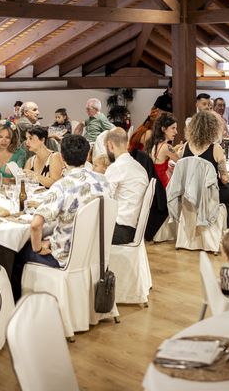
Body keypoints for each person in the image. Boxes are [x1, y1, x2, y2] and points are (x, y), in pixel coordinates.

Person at [11, 134, 107, 300]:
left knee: (17, 252)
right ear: (88, 155)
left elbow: (35, 225)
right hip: (95, 251)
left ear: (62, 157)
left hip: (64, 256)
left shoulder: (62, 186)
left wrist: (38, 248)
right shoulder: (105, 181)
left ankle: (22, 308)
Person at [182, 111, 229, 228]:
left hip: (190, 192)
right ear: (213, 128)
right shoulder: (216, 148)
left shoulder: (186, 146)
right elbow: (224, 179)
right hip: (210, 194)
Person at [104, 128, 149, 245]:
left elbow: (103, 200)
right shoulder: (140, 168)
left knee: (77, 229)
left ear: (110, 145)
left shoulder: (116, 167)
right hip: (133, 229)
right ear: (127, 143)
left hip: (118, 230)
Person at [146, 112, 180, 188]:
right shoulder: (166, 147)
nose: (176, 132)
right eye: (173, 128)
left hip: (156, 184)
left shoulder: (155, 144)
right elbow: (181, 162)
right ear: (163, 129)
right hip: (164, 186)